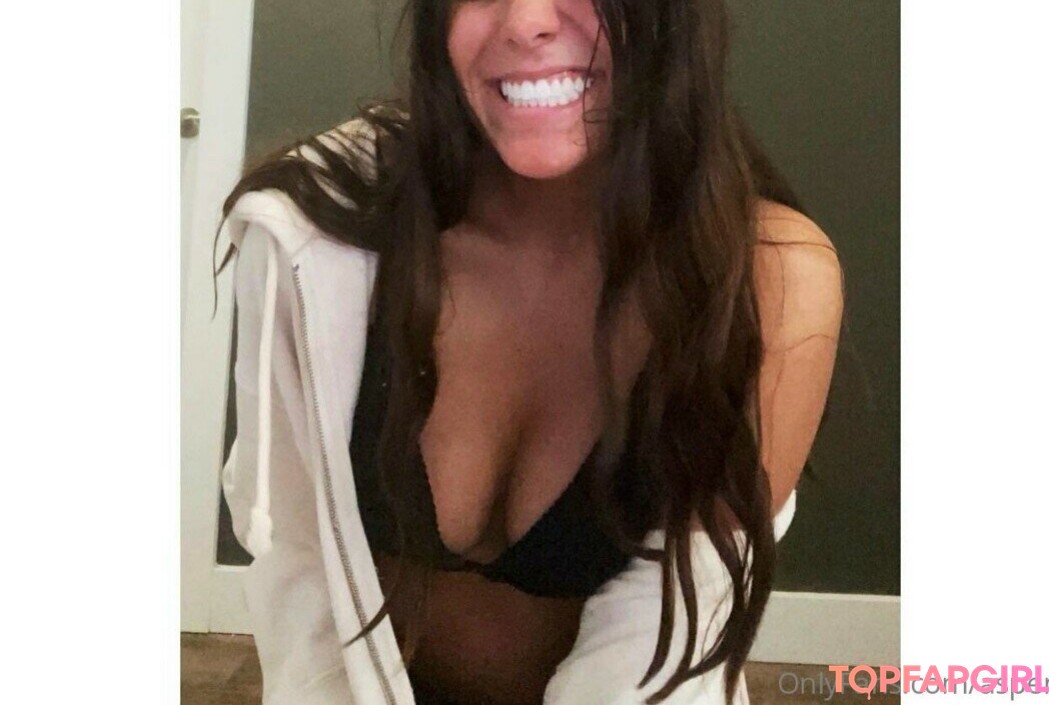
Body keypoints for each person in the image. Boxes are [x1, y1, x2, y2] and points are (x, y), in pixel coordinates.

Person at [215, 0, 844, 702]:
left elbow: (666, 642)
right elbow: (302, 580)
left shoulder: (765, 284)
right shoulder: (318, 242)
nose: (525, 21)